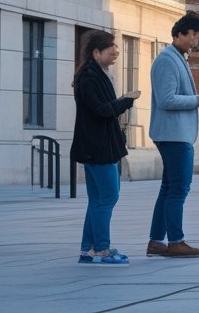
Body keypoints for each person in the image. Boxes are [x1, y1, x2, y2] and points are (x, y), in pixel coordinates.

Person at [147, 11, 199, 258]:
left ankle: (156, 240)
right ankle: (176, 241)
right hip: (173, 134)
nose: (197, 40)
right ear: (182, 34)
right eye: (196, 35)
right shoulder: (168, 60)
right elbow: (166, 99)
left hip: (175, 134)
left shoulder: (176, 57)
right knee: (179, 188)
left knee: (168, 188)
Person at [71, 30, 140, 265]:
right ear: (96, 52)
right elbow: (101, 110)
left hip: (96, 146)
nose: (115, 55)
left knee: (97, 199)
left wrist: (121, 102)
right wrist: (126, 102)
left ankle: (87, 250)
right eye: (111, 52)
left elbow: (102, 108)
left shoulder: (94, 75)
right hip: (98, 148)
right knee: (108, 196)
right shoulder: (90, 78)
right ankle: (101, 249)